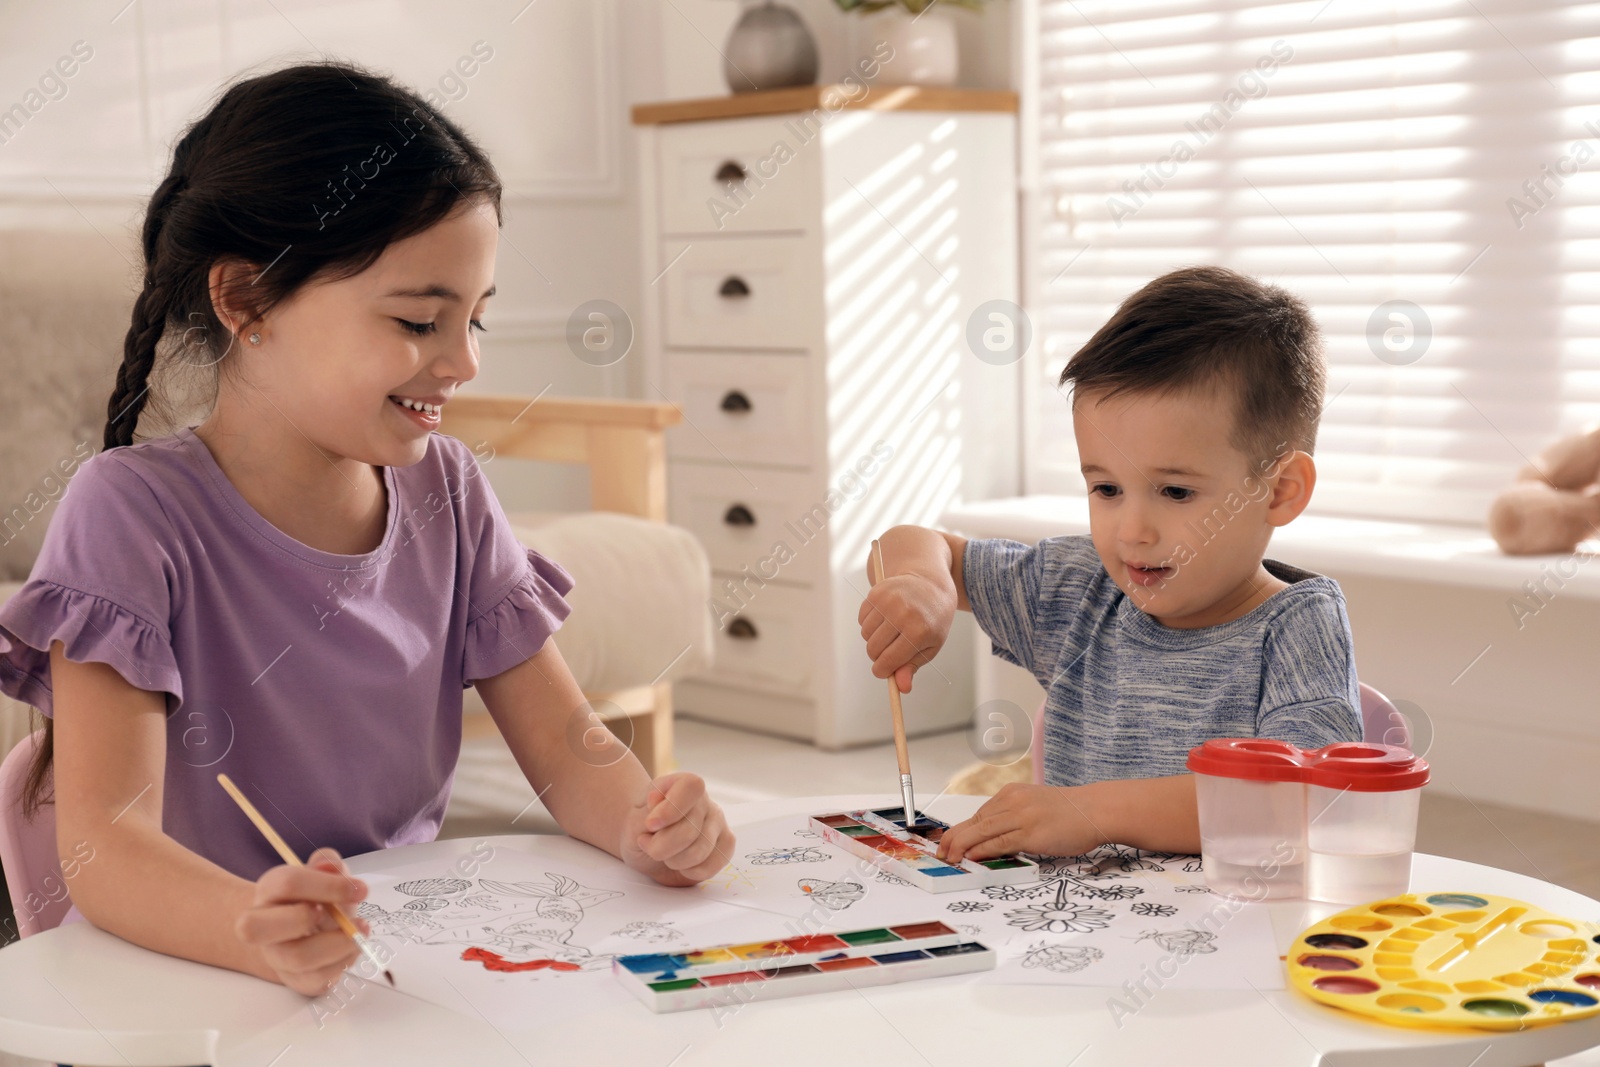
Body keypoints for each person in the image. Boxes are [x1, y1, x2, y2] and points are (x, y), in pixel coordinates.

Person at [0, 61, 732, 997]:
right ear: (246, 300)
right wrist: (246, 926)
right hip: (191, 978)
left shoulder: (451, 495)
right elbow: (104, 844)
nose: (462, 361)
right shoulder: (130, 513)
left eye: (476, 319)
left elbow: (564, 746)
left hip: (373, 969)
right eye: (421, 320)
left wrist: (647, 820)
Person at [859, 266, 1361, 863]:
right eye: (1105, 488)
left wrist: (1090, 814)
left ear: (1280, 491)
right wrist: (921, 584)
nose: (1131, 532)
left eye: (1175, 492)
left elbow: (1304, 799)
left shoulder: (1298, 628)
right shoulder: (1081, 589)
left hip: (1237, 936)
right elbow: (912, 543)